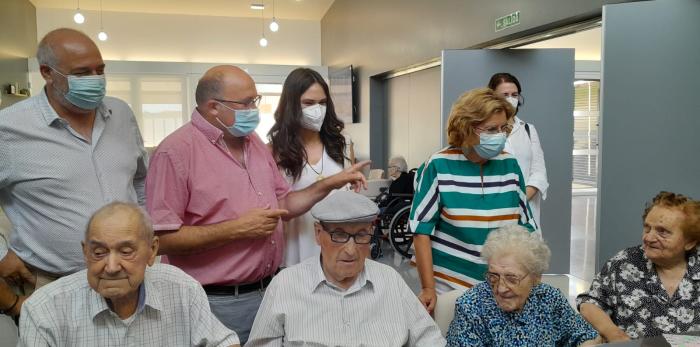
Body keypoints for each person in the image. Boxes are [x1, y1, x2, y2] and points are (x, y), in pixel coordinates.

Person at [145, 65, 369, 344]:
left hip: (267, 291)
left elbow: (284, 203)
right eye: (247, 102)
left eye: (256, 100)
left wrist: (329, 183)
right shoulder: (175, 152)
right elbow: (161, 239)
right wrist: (236, 229)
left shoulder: (253, 143)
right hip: (214, 301)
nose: (254, 108)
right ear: (214, 107)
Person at [0, 28, 147, 315]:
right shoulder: (8, 129)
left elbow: (141, 180)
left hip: (130, 279)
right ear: (47, 73)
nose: (95, 80)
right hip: (52, 283)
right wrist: (1, 255)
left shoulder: (121, 113)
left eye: (100, 70)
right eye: (82, 73)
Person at [18, 202, 239, 347]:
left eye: (126, 252)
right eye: (99, 252)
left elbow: (223, 342)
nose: (112, 266)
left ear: (152, 251)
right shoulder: (43, 309)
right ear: (85, 253)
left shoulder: (182, 288)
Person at [247, 191, 445, 346]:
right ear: (318, 234)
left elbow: (429, 338)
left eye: (361, 235)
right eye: (339, 235)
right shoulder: (286, 285)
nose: (351, 251)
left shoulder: (390, 280)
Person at [411, 87, 537, 314]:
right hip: (450, 284)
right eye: (490, 129)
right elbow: (421, 231)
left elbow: (526, 227)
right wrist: (428, 288)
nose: (499, 135)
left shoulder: (509, 165)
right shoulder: (438, 165)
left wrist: (531, 279)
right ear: (466, 128)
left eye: (503, 128)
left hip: (502, 285)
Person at [446, 225, 600, 346]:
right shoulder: (470, 307)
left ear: (535, 277)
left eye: (512, 278)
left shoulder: (550, 298)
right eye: (493, 276)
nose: (500, 288)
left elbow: (583, 335)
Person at [577, 191, 700, 342]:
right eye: (647, 228)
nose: (648, 238)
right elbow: (589, 303)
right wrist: (615, 334)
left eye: (662, 232)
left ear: (690, 242)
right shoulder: (625, 262)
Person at [268, 67, 354, 267]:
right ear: (291, 105)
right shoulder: (273, 151)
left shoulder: (343, 144)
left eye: (323, 103)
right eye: (308, 103)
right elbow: (278, 207)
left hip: (337, 247)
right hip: (294, 250)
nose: (317, 110)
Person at [488, 73, 548, 226]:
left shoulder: (528, 129)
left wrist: (520, 199)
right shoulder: (484, 131)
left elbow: (539, 172)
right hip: (494, 209)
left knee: (525, 247)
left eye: (514, 95)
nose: (510, 99)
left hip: (526, 209)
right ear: (492, 97)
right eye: (505, 95)